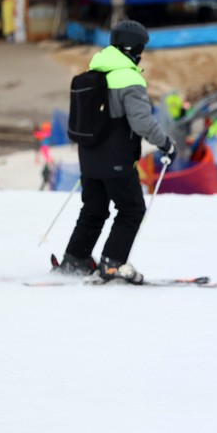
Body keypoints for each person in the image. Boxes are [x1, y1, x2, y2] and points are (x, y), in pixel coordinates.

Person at [61, 21, 176, 282]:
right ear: (133, 47)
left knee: (94, 208)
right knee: (132, 209)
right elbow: (141, 122)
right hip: (116, 158)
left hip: (89, 156)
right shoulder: (128, 77)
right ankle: (112, 262)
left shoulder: (96, 70)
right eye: (141, 48)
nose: (141, 53)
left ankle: (75, 259)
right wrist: (166, 143)